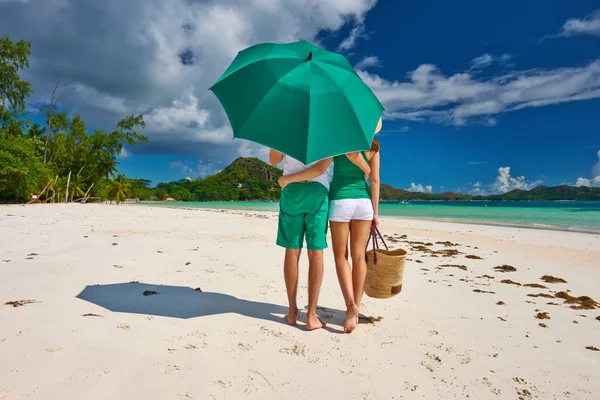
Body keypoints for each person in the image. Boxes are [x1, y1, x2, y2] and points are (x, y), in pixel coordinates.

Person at [279, 118, 382, 334]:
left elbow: (320, 167)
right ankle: (353, 309)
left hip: (340, 202)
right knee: (359, 256)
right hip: (364, 204)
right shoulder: (374, 148)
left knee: (340, 257)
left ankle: (346, 305)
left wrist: (289, 178)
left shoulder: (337, 143)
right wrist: (376, 212)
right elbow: (374, 181)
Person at [269, 149, 333, 330]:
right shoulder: (328, 132)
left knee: (292, 251)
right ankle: (311, 316)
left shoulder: (286, 129)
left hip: (292, 191)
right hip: (317, 191)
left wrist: (287, 179)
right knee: (316, 254)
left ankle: (292, 311)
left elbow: (274, 161)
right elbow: (320, 169)